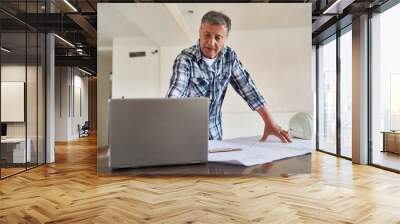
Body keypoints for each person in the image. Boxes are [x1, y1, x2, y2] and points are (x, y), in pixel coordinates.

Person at [166, 10, 291, 143]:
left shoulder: (229, 57)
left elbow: (248, 88)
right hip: (186, 136)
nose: (211, 42)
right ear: (199, 32)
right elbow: (176, 91)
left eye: (218, 38)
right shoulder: (185, 59)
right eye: (206, 35)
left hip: (216, 136)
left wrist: (270, 122)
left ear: (225, 38)